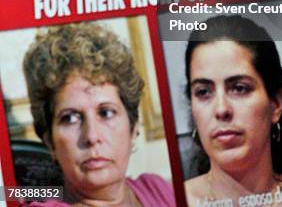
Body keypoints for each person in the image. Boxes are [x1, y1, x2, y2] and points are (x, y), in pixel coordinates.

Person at [184, 15, 282, 206]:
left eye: (239, 88)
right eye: (203, 92)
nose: (221, 109)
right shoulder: (169, 200)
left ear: (276, 104)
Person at [22, 22, 175, 206]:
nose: (92, 136)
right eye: (70, 118)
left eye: (106, 113)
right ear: (50, 142)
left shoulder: (159, 189)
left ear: (133, 129)